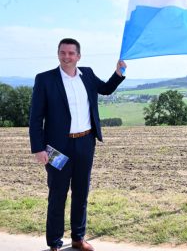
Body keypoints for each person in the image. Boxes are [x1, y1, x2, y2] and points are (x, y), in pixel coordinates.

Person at [29, 38, 126, 251]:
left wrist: (118, 73)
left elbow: (106, 89)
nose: (66, 57)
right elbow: (35, 117)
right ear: (58, 54)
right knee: (58, 194)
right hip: (56, 148)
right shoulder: (45, 79)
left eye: (71, 53)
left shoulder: (88, 74)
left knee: (81, 192)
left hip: (85, 143)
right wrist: (38, 148)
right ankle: (54, 242)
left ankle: (78, 238)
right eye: (63, 53)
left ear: (78, 56)